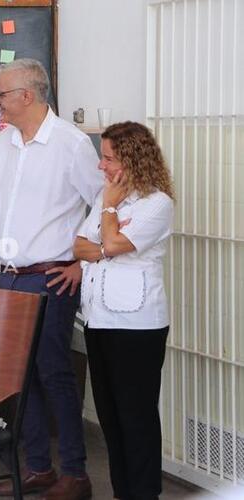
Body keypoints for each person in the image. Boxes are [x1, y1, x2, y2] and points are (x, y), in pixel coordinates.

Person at [0, 59, 104, 499]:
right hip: (9, 277)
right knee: (19, 375)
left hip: (50, 277)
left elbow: (102, 205)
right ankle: (37, 466)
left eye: (1, 94)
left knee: (53, 372)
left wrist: (81, 264)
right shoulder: (3, 143)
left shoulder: (71, 144)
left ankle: (75, 472)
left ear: (27, 95)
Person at [73, 122, 174, 500]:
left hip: (137, 325)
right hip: (99, 320)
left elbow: (114, 241)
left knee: (137, 417)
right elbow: (81, 246)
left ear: (131, 159)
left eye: (108, 157)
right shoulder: (106, 198)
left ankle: (145, 493)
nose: (102, 166)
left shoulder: (157, 203)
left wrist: (110, 218)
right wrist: (106, 241)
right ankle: (122, 493)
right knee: (111, 419)